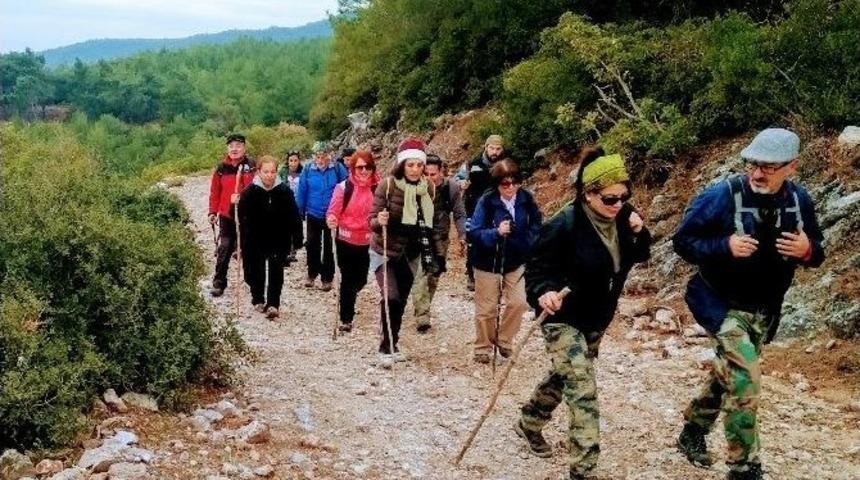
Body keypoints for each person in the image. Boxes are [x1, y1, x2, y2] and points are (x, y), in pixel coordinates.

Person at [672, 128, 824, 480]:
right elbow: (683, 241)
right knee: (745, 378)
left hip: (764, 309)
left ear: (792, 167)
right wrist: (723, 246)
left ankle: (692, 430)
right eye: (754, 164)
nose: (758, 173)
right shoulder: (722, 195)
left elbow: (817, 250)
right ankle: (743, 467)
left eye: (770, 167)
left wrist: (807, 251)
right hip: (717, 302)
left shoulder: (800, 200)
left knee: (729, 373)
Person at [516, 147, 650, 480]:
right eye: (609, 198)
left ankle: (529, 421)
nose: (618, 204)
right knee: (583, 389)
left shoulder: (622, 215)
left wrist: (638, 231)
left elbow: (639, 254)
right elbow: (535, 269)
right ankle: (584, 470)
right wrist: (543, 292)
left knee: (566, 376)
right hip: (562, 317)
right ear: (589, 194)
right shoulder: (565, 224)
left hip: (597, 315)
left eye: (623, 196)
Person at [369, 138, 445, 360]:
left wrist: (438, 255)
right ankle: (385, 346)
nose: (415, 169)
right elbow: (371, 220)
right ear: (402, 164)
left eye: (419, 165)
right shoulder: (388, 185)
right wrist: (379, 220)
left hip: (411, 253)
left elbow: (434, 225)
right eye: (410, 165)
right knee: (390, 297)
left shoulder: (429, 189)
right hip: (384, 251)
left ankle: (394, 344)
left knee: (400, 301)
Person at [467, 159, 541, 364]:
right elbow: (474, 232)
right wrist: (496, 232)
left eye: (514, 182)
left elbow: (537, 224)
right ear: (497, 184)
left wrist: (528, 241)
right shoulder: (487, 201)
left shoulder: (526, 199)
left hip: (516, 260)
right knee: (487, 308)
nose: (510, 187)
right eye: (505, 184)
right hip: (487, 261)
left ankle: (504, 339)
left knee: (520, 302)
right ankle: (482, 346)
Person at [238, 156, 303, 319]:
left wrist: (297, 238)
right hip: (255, 238)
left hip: (278, 238)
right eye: (265, 172)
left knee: (276, 271)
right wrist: (241, 241)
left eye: (273, 171)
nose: (269, 175)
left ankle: (273, 303)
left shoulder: (284, 191)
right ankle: (258, 297)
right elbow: (241, 218)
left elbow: (294, 215)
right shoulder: (249, 192)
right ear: (258, 172)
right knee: (255, 270)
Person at [411, 154, 467, 332]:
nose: (428, 178)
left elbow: (459, 213)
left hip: (439, 237)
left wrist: (462, 235)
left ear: (441, 172)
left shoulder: (450, 187)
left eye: (432, 174)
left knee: (433, 276)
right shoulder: (414, 187)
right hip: (417, 235)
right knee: (419, 275)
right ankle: (422, 316)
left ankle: (423, 306)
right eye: (425, 174)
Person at [326, 150, 380, 332]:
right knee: (348, 279)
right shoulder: (343, 188)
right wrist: (331, 218)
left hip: (366, 241)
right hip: (345, 240)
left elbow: (383, 209)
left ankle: (347, 296)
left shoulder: (378, 188)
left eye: (368, 167)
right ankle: (346, 318)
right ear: (353, 169)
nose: (364, 171)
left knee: (361, 279)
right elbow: (333, 210)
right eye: (359, 167)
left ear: (373, 168)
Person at [208, 133, 257, 297]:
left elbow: (259, 189)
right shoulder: (221, 168)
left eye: (238, 145)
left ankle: (254, 285)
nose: (234, 149)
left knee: (249, 251)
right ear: (227, 148)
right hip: (226, 215)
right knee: (224, 248)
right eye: (231, 146)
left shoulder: (252, 166)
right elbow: (215, 192)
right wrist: (212, 211)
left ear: (244, 148)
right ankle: (219, 282)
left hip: (248, 215)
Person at [295, 141, 348, 291]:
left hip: (332, 214)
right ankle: (311, 274)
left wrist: (343, 211)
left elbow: (346, 188)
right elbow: (302, 190)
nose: (320, 160)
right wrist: (301, 210)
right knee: (312, 244)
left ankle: (327, 278)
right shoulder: (307, 169)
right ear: (313, 157)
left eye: (323, 156)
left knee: (329, 246)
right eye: (317, 156)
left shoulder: (338, 169)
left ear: (329, 156)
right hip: (313, 212)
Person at [463, 134, 506, 291]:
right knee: (473, 240)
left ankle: (495, 274)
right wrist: (463, 184)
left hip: (497, 209)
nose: (494, 151)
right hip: (474, 208)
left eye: (497, 148)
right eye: (491, 148)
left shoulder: (506, 164)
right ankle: (471, 274)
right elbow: (461, 179)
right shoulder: (474, 164)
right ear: (486, 148)